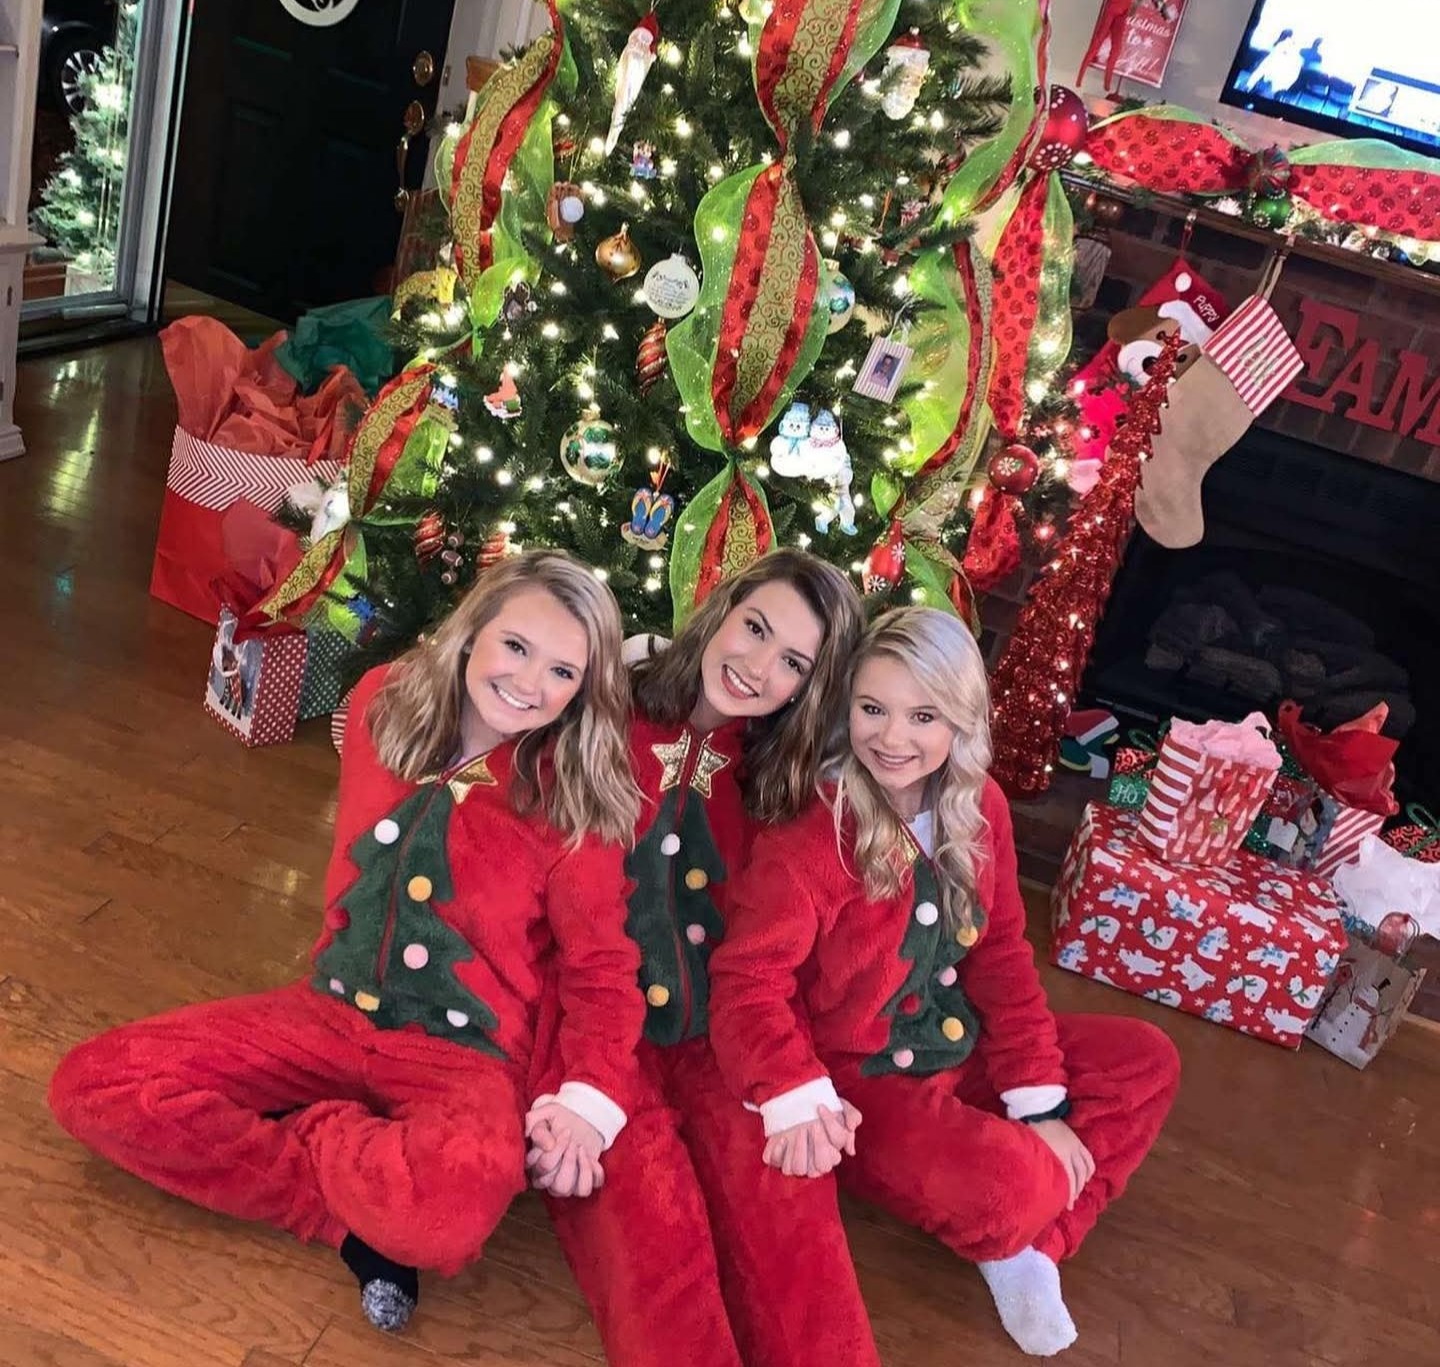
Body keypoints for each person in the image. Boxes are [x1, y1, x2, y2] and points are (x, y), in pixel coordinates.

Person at [48, 550, 646, 1335]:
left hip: (461, 1059)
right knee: (92, 1086)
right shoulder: (381, 704)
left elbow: (603, 973)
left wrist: (589, 1102)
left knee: (446, 1220)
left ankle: (317, 1130)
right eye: (516, 646)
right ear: (473, 630)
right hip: (327, 1014)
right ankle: (340, 1209)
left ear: (585, 690)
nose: (530, 683)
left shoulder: (574, 805)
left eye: (563, 672)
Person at [709, 607, 1181, 1358]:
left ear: (960, 719)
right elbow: (747, 982)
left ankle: (1033, 1248)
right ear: (846, 707)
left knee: (1146, 1060)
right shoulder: (814, 833)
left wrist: (1039, 1102)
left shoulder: (979, 806)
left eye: (923, 716)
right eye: (873, 709)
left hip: (958, 1045)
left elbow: (1001, 955)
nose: (893, 739)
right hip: (863, 1087)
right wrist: (790, 1089)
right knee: (1012, 1187)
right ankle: (1023, 1213)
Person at [527, 549, 883, 1367]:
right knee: (657, 1251)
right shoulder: (600, 705)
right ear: (722, 608)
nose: (758, 667)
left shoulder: (790, 781)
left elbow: (770, 957)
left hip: (719, 1035)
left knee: (794, 1228)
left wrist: (785, 1073)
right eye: (755, 628)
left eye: (793, 662)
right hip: (595, 1036)